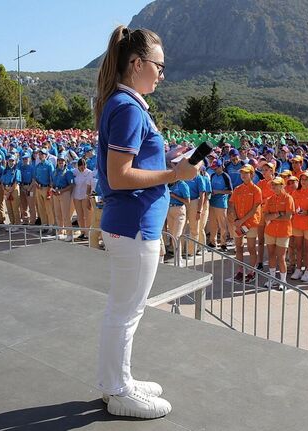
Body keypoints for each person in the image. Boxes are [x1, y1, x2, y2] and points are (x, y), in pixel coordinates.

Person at [94, 25, 199, 419]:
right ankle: (118, 389)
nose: (162, 73)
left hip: (132, 222)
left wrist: (165, 160)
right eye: (159, 65)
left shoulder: (124, 105)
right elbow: (120, 175)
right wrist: (176, 174)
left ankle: (116, 381)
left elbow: (130, 166)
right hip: (135, 223)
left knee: (123, 310)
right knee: (126, 312)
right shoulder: (127, 108)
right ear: (137, 64)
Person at [228, 164, 262, 282]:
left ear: (252, 174)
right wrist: (236, 219)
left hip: (250, 224)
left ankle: (252, 271)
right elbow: (232, 204)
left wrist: (241, 221)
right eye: (242, 173)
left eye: (246, 173)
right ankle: (240, 271)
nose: (243, 175)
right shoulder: (237, 189)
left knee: (251, 247)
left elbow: (254, 209)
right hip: (239, 223)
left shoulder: (256, 190)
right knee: (238, 247)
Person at [262, 176, 294, 286]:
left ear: (282, 185)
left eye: (276, 185)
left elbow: (288, 216)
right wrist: (278, 214)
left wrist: (273, 217)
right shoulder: (270, 199)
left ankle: (283, 281)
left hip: (283, 232)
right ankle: (272, 278)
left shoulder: (288, 198)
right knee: (271, 255)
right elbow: (266, 216)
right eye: (273, 185)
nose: (273, 187)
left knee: (281, 257)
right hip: (270, 231)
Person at [72, 158, 93, 240]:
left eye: (84, 166)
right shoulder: (75, 172)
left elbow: (90, 185)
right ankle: (82, 232)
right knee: (80, 215)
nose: (82, 168)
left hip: (85, 196)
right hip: (76, 196)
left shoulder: (89, 173)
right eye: (81, 166)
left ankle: (88, 233)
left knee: (87, 215)